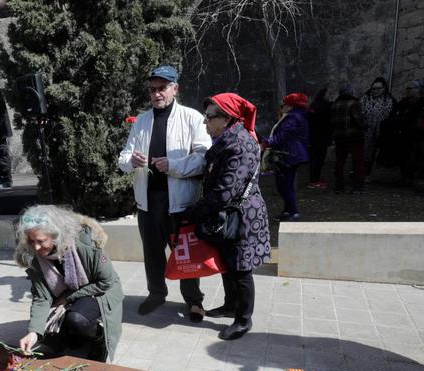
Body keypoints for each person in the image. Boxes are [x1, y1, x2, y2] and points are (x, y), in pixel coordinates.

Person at [118, 65, 212, 321]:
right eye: (152, 90)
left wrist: (175, 166)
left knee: (184, 253)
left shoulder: (192, 118)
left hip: (180, 200)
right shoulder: (142, 121)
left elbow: (204, 157)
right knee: (152, 252)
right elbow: (123, 156)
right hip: (148, 200)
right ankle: (156, 293)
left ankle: (194, 300)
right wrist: (131, 161)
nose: (157, 94)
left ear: (175, 89)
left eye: (162, 88)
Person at [192, 93, 270, 340]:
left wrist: (194, 210)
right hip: (229, 214)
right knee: (228, 264)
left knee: (241, 269)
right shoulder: (228, 139)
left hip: (241, 216)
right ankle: (230, 305)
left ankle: (244, 319)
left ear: (226, 119)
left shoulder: (239, 144)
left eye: (209, 117)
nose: (205, 123)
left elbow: (225, 191)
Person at [15, 205, 123, 363]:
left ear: (56, 236)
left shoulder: (86, 246)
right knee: (47, 337)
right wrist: (33, 333)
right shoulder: (36, 258)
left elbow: (106, 282)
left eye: (41, 241)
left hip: (98, 290)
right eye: (31, 241)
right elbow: (41, 298)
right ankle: (75, 334)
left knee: (77, 319)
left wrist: (69, 298)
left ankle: (99, 338)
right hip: (68, 293)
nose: (36, 247)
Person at [264, 92, 310, 221]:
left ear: (290, 106)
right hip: (290, 153)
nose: (281, 107)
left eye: (283, 105)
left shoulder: (292, 118)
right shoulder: (296, 116)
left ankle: (293, 212)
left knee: (285, 184)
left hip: (290, 154)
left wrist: (267, 143)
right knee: (283, 183)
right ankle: (288, 210)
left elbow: (283, 135)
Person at [385, 80, 424, 185]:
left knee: (415, 157)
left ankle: (414, 178)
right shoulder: (404, 102)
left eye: (410, 88)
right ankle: (405, 177)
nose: (407, 91)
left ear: (418, 90)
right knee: (404, 156)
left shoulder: (423, 102)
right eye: (407, 88)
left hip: (417, 134)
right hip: (404, 133)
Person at [331, 83, 367, 193]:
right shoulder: (354, 103)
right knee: (358, 162)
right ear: (351, 92)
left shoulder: (335, 104)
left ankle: (339, 187)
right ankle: (358, 187)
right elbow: (359, 120)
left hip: (339, 137)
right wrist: (365, 125)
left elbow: (332, 122)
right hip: (354, 137)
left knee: (339, 163)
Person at [360, 77, 396, 177]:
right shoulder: (365, 99)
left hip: (381, 132)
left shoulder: (389, 101)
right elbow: (360, 113)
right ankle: (362, 173)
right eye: (373, 88)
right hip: (366, 131)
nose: (375, 91)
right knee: (365, 153)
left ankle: (370, 174)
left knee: (375, 153)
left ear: (383, 88)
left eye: (378, 88)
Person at [306, 88, 333, 189]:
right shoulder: (324, 106)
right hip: (320, 137)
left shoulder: (315, 105)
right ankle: (314, 180)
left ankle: (315, 178)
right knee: (318, 159)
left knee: (316, 158)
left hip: (315, 136)